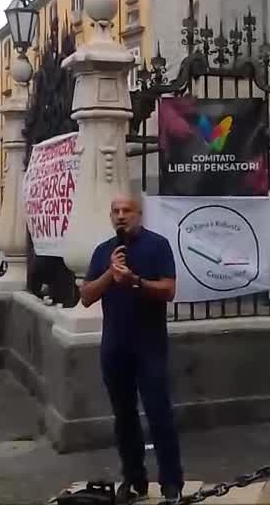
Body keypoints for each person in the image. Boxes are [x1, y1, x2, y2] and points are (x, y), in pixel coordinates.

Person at [80, 193, 183, 504]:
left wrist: (135, 282)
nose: (121, 216)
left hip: (149, 345)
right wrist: (111, 275)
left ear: (140, 214)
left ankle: (171, 482)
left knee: (158, 413)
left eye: (127, 210)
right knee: (124, 417)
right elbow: (85, 296)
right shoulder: (103, 252)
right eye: (116, 211)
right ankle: (134, 479)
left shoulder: (158, 245)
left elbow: (169, 290)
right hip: (115, 346)